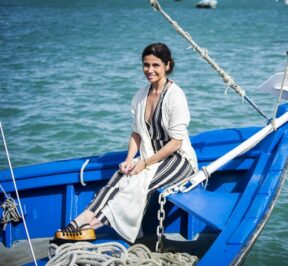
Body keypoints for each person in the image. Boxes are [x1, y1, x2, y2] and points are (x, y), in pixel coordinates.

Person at [54, 43, 198, 243]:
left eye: (155, 65)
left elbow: (176, 142)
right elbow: (136, 133)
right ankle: (80, 222)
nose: (150, 70)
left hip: (178, 160)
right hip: (150, 158)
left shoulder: (176, 96)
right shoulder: (140, 95)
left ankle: (90, 227)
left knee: (138, 186)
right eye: (146, 65)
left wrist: (144, 163)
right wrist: (130, 159)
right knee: (119, 177)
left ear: (167, 65)